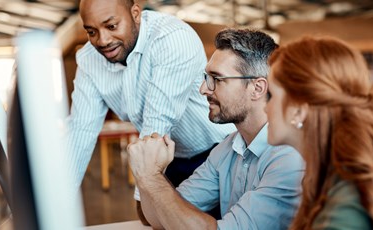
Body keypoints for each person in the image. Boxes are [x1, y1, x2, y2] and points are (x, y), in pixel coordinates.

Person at [127, 28, 304, 229]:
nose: (203, 89)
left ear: (257, 88)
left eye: (216, 79)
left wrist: (152, 178)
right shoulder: (227, 149)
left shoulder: (289, 157)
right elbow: (160, 219)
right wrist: (148, 173)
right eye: (206, 78)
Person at [68, 0, 235, 196]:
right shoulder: (89, 59)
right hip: (171, 158)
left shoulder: (171, 37)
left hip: (220, 150)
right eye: (91, 32)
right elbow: (80, 131)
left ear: (136, 14)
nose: (102, 40)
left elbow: (157, 124)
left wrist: (143, 198)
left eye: (112, 26)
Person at [266, 36, 373, 229]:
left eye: (271, 96)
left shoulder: (350, 201)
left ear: (299, 110)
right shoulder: (366, 171)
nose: (265, 108)